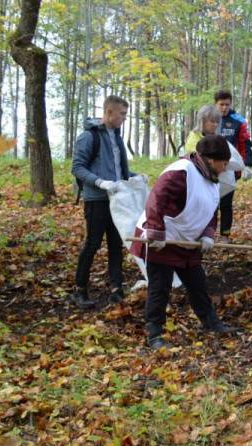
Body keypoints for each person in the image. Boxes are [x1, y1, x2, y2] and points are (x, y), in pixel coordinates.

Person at [130, 134, 237, 350]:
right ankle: (154, 333)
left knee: (198, 284)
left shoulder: (213, 181)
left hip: (187, 242)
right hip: (163, 239)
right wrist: (156, 231)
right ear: (210, 159)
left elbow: (211, 210)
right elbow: (156, 199)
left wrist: (208, 233)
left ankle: (211, 323)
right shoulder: (181, 171)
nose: (225, 169)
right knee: (160, 287)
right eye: (223, 164)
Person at [71, 95, 145, 308]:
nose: (124, 118)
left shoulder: (117, 136)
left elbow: (118, 169)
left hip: (117, 199)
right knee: (92, 244)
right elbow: (77, 167)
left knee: (116, 243)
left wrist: (135, 176)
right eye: (122, 114)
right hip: (96, 199)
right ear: (109, 112)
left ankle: (116, 288)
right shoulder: (89, 137)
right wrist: (100, 182)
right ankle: (80, 289)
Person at [215, 90, 252, 238]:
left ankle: (225, 235)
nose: (224, 108)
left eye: (227, 104)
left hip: (230, 169)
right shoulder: (209, 118)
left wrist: (248, 165)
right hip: (210, 169)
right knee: (209, 203)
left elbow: (245, 143)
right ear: (215, 104)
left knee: (225, 204)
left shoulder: (238, 120)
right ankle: (207, 234)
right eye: (221, 104)